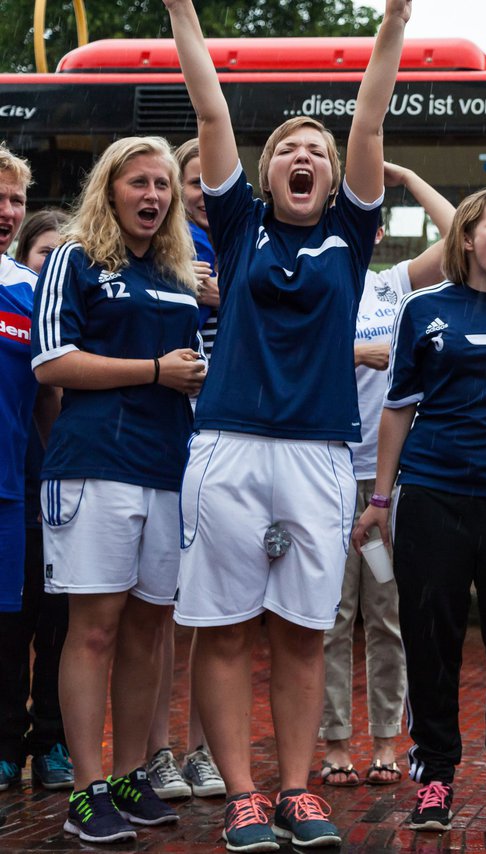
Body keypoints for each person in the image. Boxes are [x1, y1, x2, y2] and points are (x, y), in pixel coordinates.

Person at [164, 0, 408, 848]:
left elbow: (369, 116)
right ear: (265, 176)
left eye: (318, 152)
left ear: (335, 180)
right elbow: (210, 110)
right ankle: (241, 795)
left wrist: (395, 24)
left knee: (307, 630)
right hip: (230, 446)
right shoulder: (237, 227)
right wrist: (181, 14)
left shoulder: (351, 232)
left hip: (318, 455)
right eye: (289, 152)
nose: (304, 156)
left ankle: (297, 790)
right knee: (225, 628)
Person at [352, 186, 486, 835]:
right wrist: (382, 500)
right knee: (431, 639)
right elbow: (399, 407)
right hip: (433, 495)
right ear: (469, 237)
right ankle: (437, 777)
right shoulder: (424, 308)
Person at [31, 136, 205, 844]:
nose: (153, 196)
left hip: (167, 469)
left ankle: (131, 776)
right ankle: (84, 790)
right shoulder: (77, 257)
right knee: (94, 630)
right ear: (110, 188)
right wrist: (155, 371)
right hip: (94, 463)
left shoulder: (177, 270)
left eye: (162, 185)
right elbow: (52, 363)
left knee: (148, 631)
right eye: (139, 182)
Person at [320, 162, 453, 789]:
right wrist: (355, 353)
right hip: (323, 479)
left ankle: (383, 742)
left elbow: (460, 233)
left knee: (385, 615)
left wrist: (405, 178)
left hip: (383, 488)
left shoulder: (393, 286)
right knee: (328, 617)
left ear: (375, 234)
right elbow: (283, 350)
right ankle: (335, 742)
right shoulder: (312, 283)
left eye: (368, 224)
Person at [144, 137, 224, 802]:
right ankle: (156, 751)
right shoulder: (163, 257)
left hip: (223, 440)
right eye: (187, 182)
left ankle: (201, 749)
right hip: (172, 439)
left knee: (207, 609)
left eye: (202, 183)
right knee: (158, 612)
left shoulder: (241, 237)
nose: (196, 194)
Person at [0, 152, 61, 793]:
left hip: (15, 487)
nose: (8, 212)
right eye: (0, 197)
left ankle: (29, 746)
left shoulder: (29, 287)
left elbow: (49, 394)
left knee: (14, 623)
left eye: (16, 200)